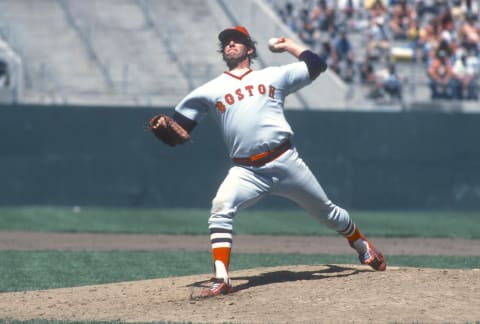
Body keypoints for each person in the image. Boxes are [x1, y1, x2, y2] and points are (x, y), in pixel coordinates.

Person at [148, 26, 387, 298]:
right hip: (246, 170)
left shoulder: (273, 75)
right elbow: (180, 127)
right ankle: (222, 278)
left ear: (250, 49)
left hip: (285, 160)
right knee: (220, 208)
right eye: (226, 42)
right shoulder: (209, 90)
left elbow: (317, 64)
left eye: (237, 41)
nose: (230, 44)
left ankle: (361, 244)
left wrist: (289, 45)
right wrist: (167, 125)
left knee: (328, 213)